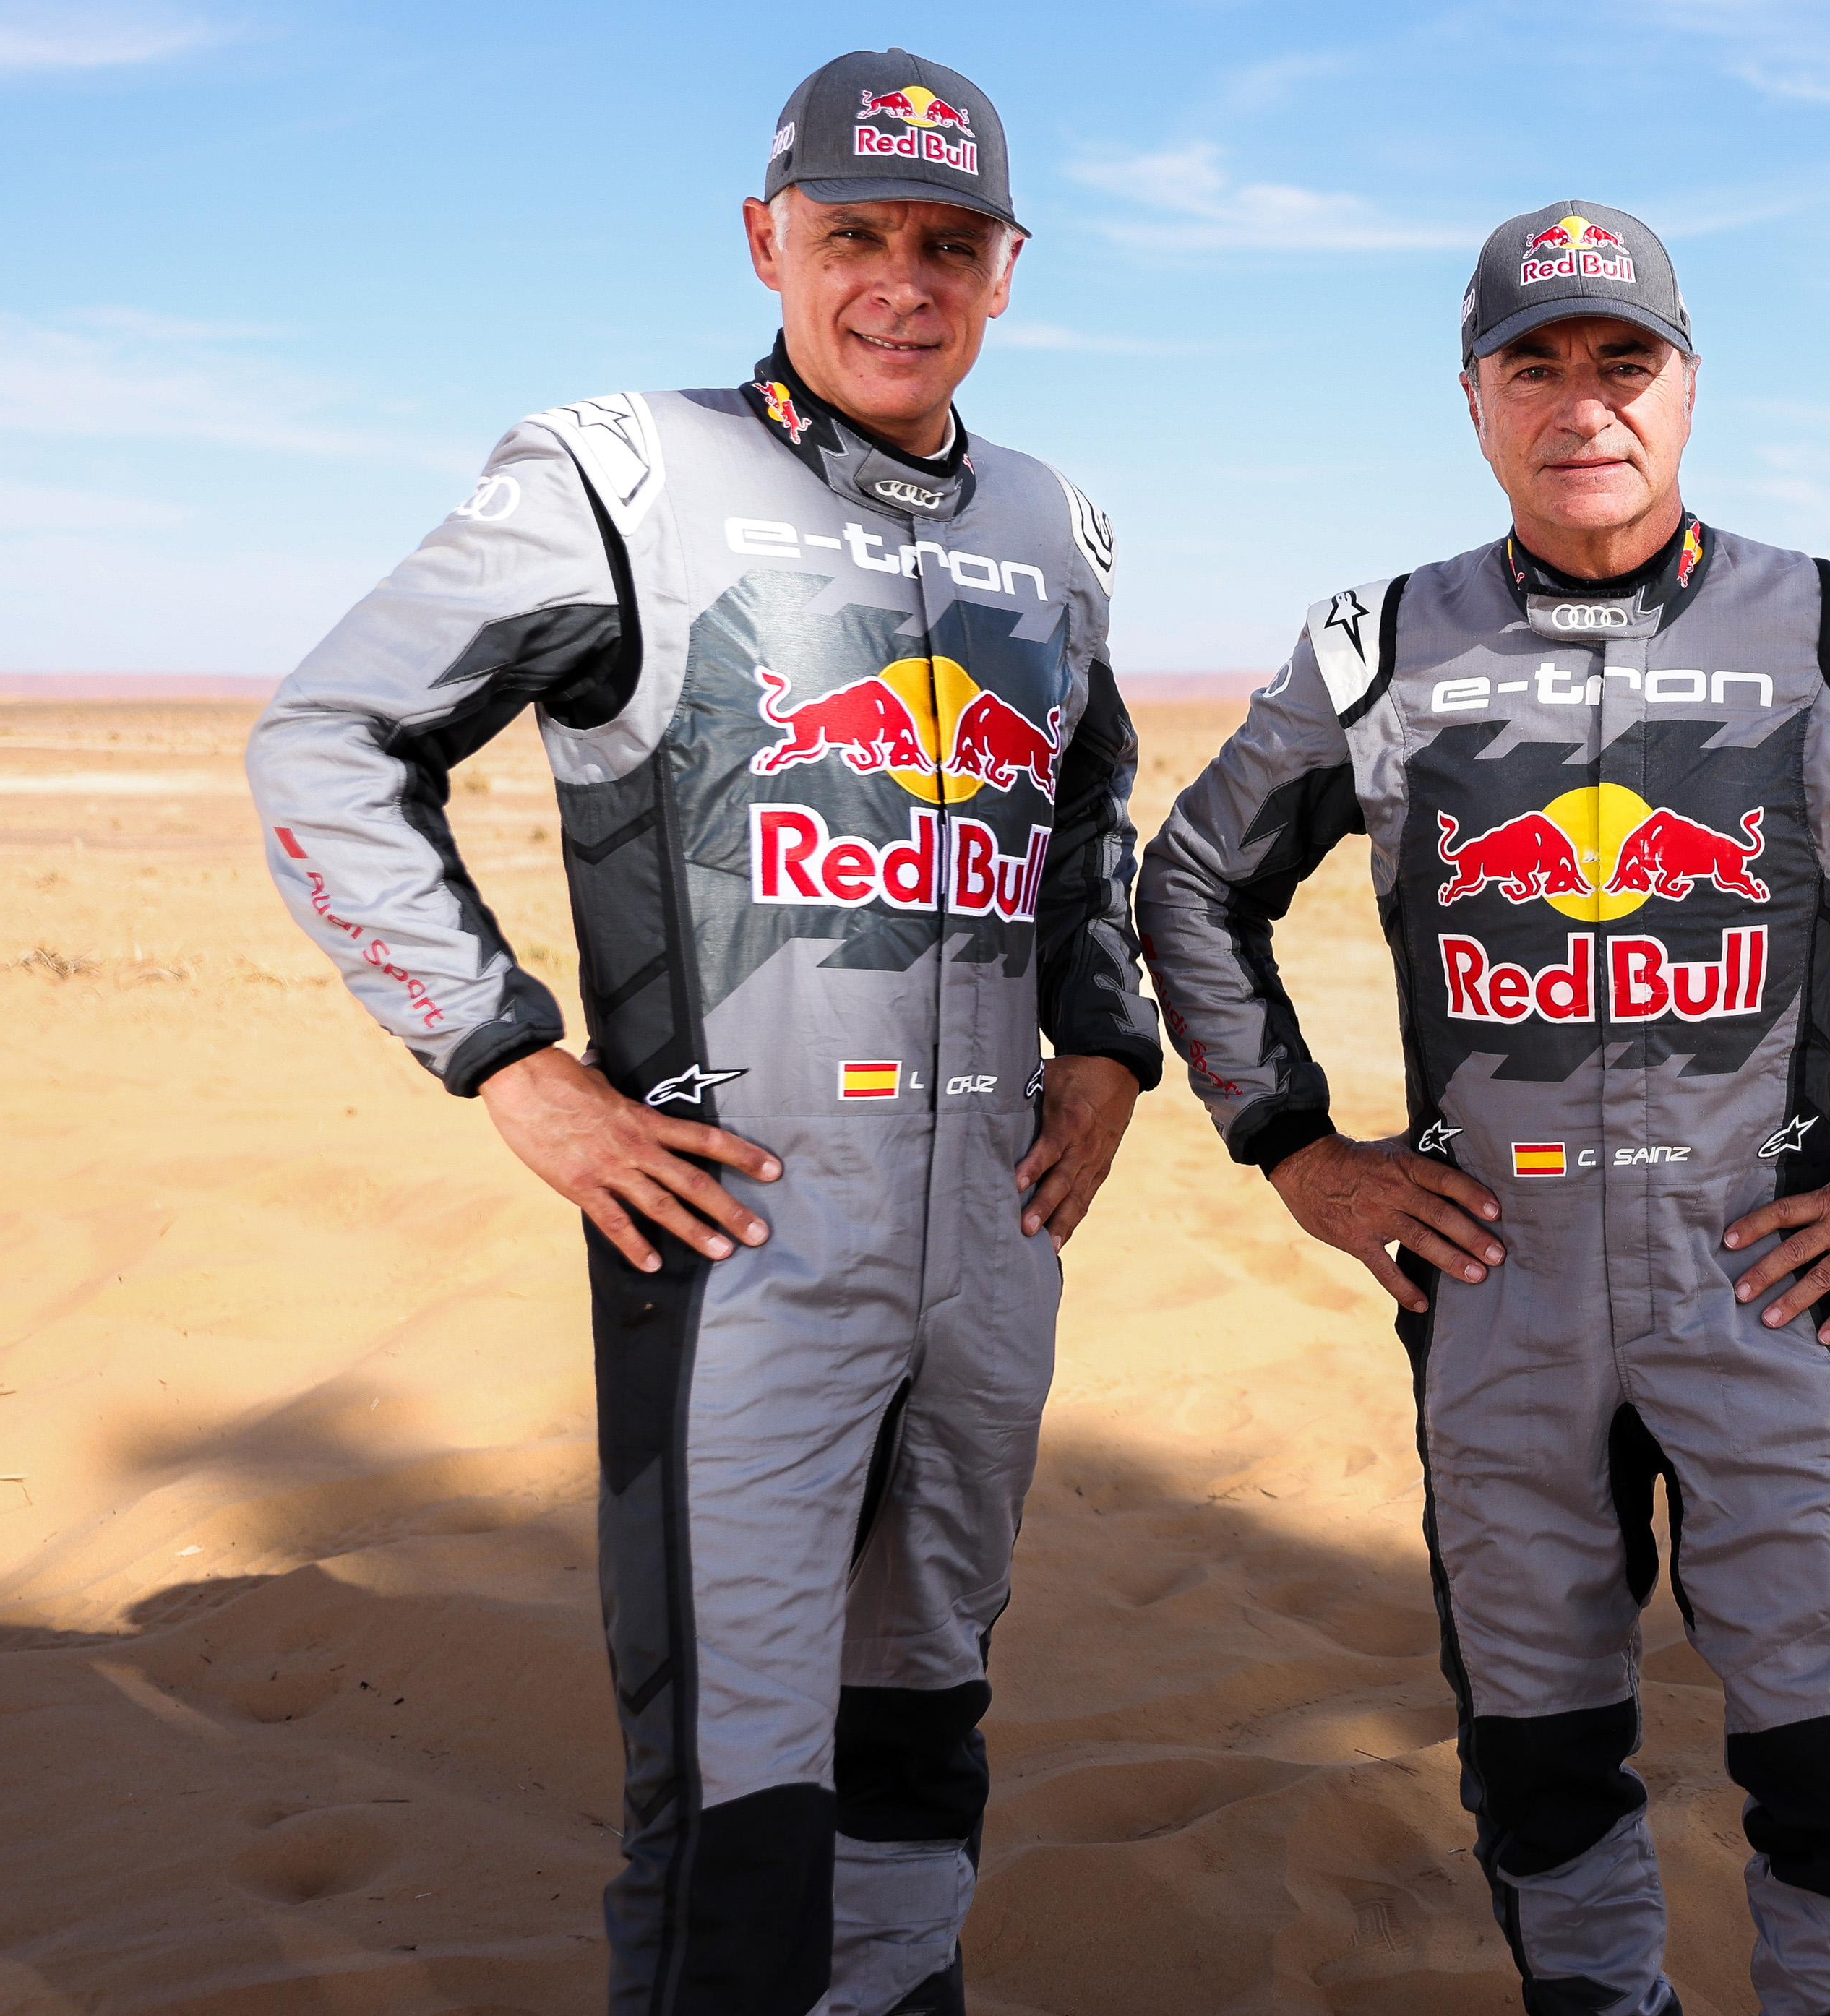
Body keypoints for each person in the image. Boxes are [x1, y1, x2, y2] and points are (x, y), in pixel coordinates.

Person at [244, 48, 1154, 2016]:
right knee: (739, 1790)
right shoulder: (622, 477)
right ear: (768, 241)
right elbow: (327, 744)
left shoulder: (1057, 525)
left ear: (1007, 270)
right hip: (744, 1248)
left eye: (946, 242)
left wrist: (1106, 1034)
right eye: (853, 236)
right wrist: (510, 1056)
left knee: (923, 1728)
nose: (898, 282)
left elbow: (1087, 810)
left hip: (993, 1248)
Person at [1138, 201, 1830, 2016]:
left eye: (1622, 361)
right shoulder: (1379, 644)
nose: (1585, 404)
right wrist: (1299, 1151)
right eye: (1538, 365)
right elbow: (1188, 883)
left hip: (1768, 1291)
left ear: (1688, 388)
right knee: (1542, 1751)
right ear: (1477, 402)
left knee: (1828, 1761)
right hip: (1497, 1299)